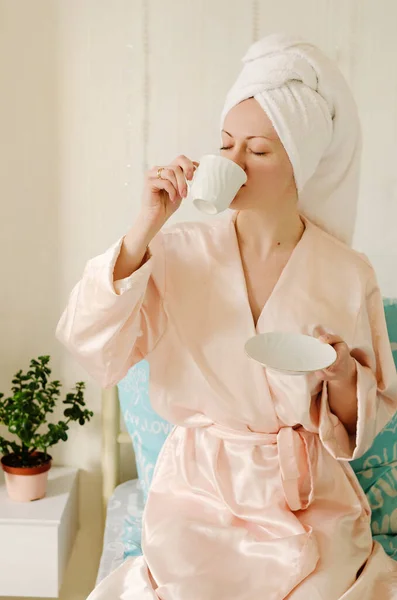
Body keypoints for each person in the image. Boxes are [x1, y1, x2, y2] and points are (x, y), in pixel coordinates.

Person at [56, 34, 397, 599]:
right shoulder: (175, 251)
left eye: (257, 151)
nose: (232, 162)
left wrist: (339, 374)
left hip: (307, 499)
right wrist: (144, 227)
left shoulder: (346, 271)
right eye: (225, 144)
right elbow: (89, 340)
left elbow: (360, 422)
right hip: (199, 492)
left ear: (299, 164)